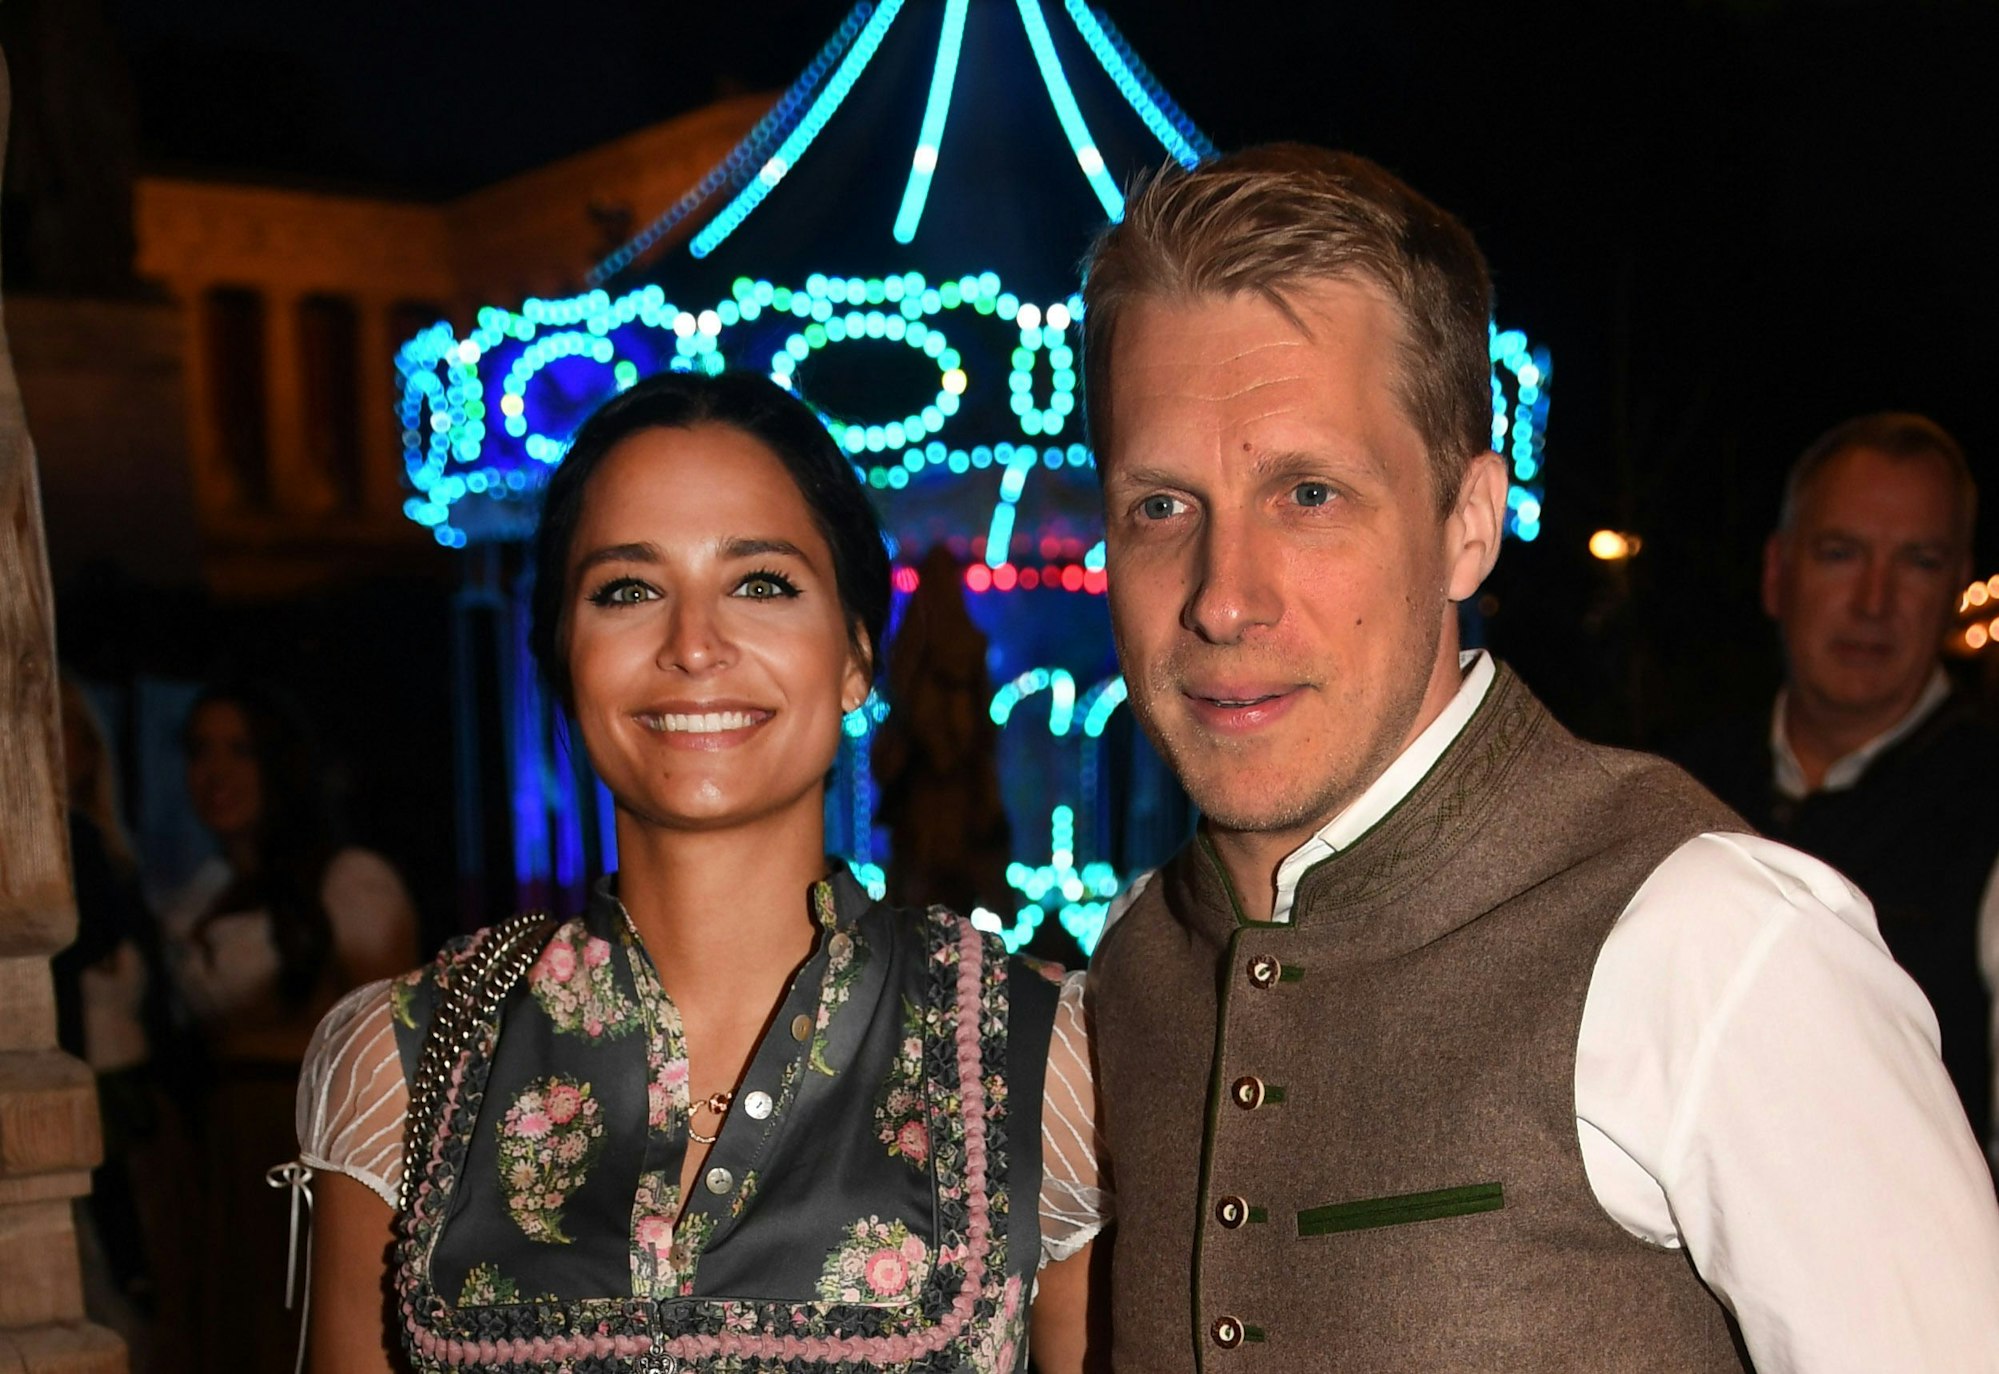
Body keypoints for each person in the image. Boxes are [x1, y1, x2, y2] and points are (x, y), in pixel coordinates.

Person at [1080, 144, 1999, 1372]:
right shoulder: (1131, 969)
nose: (1223, 599)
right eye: (1161, 505)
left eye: (1309, 495)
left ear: (1467, 524)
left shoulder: (1708, 937)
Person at [294, 370, 1105, 1373]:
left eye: (760, 583)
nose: (693, 645)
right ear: (562, 658)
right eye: (627, 590)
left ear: (855, 653)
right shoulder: (404, 1061)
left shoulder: (1042, 1059)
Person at [1673, 414, 1999, 1162]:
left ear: (1955, 586)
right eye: (1840, 553)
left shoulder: (1983, 809)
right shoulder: (1673, 788)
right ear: (1775, 574)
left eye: (1916, 561)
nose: (1873, 600)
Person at [159, 681, 420, 1371]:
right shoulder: (198, 895)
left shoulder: (346, 881)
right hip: (218, 1148)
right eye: (198, 751)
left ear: (278, 765)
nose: (215, 773)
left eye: (239, 751)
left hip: (302, 1140)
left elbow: (392, 1040)